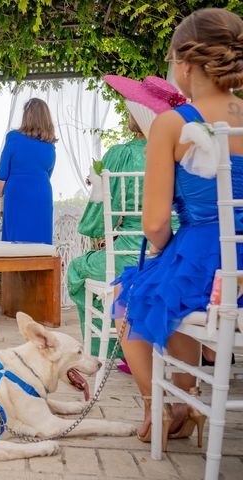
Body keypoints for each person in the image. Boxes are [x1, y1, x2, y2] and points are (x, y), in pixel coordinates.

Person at [113, 8, 243, 448]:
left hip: (206, 253)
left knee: (129, 298)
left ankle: (165, 405)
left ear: (185, 65)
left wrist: (168, 250)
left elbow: (153, 224)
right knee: (172, 292)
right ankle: (186, 401)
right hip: (239, 273)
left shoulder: (173, 124)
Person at [67, 113, 146, 360]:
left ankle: (113, 351)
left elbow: (98, 223)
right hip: (174, 252)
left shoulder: (121, 154)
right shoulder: (181, 153)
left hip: (129, 254)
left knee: (77, 270)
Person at [0, 98, 56, 244]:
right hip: (42, 196)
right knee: (40, 243)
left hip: (17, 196)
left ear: (26, 116)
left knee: (15, 245)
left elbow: (2, 175)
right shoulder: (50, 147)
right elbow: (47, 174)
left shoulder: (13, 139)